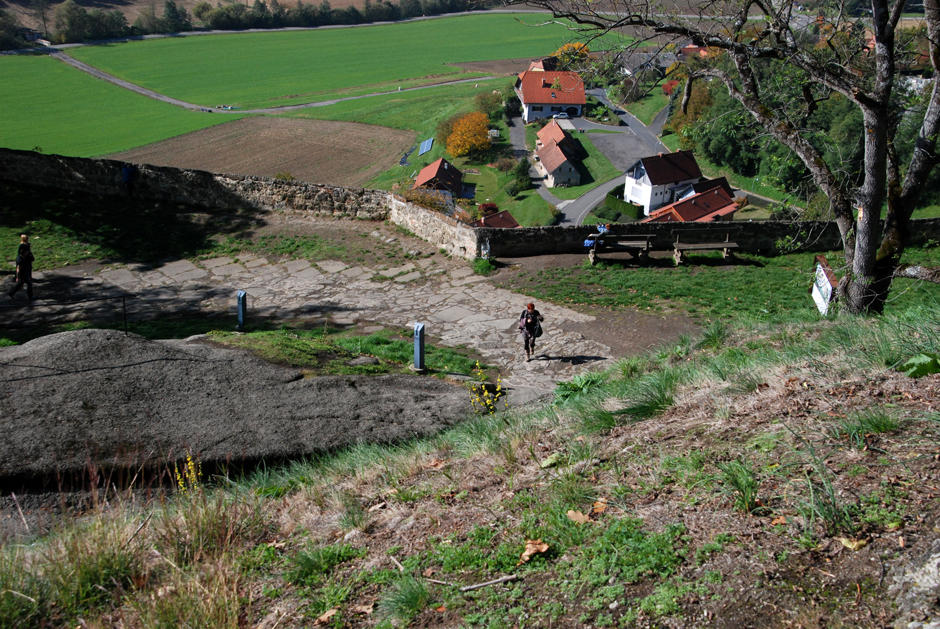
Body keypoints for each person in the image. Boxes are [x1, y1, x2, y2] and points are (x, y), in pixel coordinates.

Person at [8, 234, 35, 300]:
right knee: (28, 284)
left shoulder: (23, 258)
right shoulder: (21, 260)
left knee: (20, 283)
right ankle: (30, 296)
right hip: (22, 273)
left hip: (23, 272)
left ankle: (11, 293)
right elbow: (18, 268)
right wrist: (18, 276)